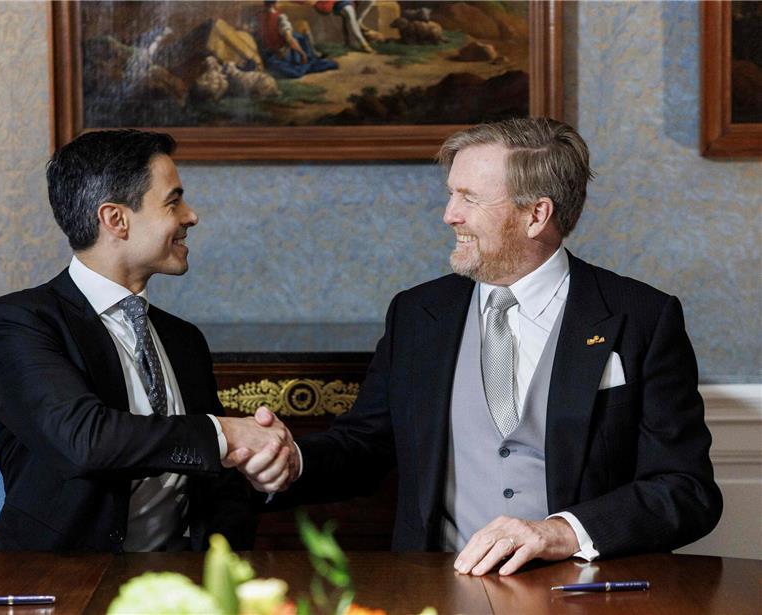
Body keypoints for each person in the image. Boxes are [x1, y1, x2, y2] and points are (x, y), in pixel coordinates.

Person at [235, 118, 723, 575]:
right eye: (452, 195)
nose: (450, 215)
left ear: (536, 215)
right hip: (438, 585)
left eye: (469, 198)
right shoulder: (417, 314)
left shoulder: (641, 317)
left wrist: (563, 532)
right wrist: (294, 460)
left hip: (585, 591)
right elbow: (366, 446)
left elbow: (686, 491)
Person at [0, 130, 295, 552]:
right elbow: (85, 440)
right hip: (61, 588)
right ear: (116, 219)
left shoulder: (184, 340)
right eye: (173, 201)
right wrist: (226, 434)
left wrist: (260, 473)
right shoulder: (19, 322)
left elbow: (214, 486)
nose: (191, 216)